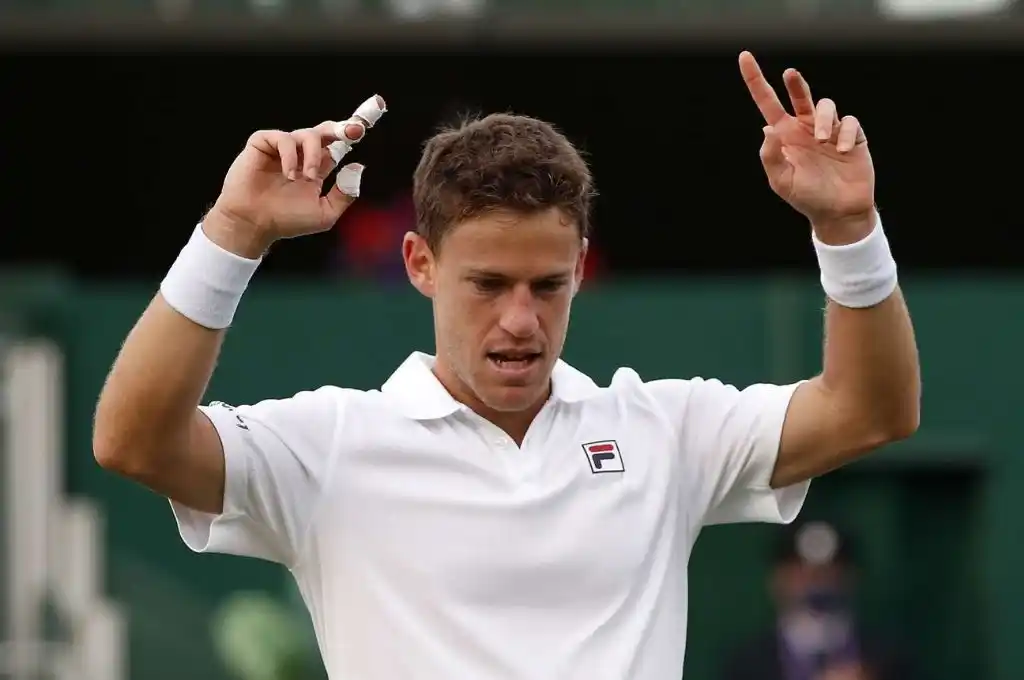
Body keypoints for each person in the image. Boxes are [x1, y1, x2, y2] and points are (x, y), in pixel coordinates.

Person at [92, 52, 921, 680]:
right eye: (487, 284)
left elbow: (870, 411)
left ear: (581, 267)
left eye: (548, 286)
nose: (521, 321)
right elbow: (132, 440)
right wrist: (236, 228)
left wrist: (850, 226)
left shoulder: (663, 431)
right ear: (418, 263)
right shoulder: (327, 445)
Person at [722, 520, 917, 680]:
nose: (816, 584)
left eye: (828, 572)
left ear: (850, 577)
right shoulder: (747, 664)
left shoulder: (889, 659)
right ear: (778, 579)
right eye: (802, 573)